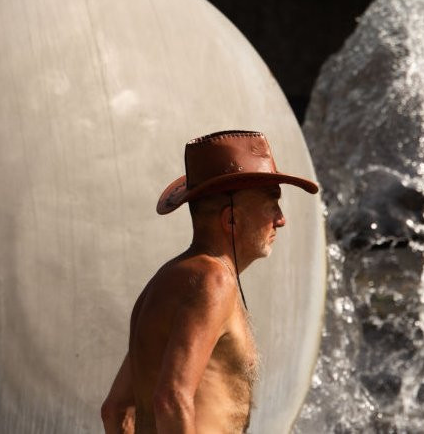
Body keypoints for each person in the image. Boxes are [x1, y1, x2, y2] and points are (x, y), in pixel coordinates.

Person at [100, 130, 318, 433]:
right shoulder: (212, 281)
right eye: (272, 205)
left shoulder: (167, 281)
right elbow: (172, 399)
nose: (281, 219)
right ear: (231, 220)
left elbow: (116, 409)